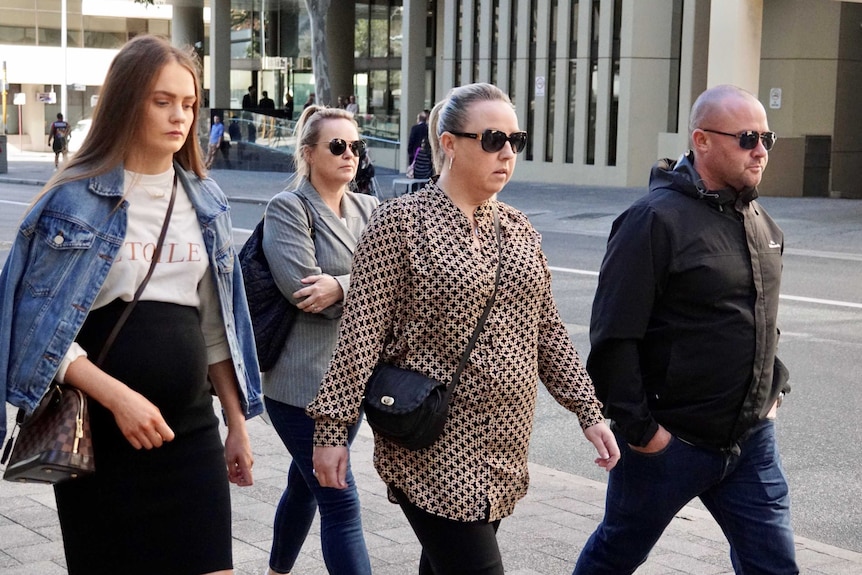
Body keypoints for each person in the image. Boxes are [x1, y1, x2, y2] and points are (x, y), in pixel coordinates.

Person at [307, 82, 619, 575]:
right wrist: (331, 432)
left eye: (515, 141)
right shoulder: (400, 223)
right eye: (492, 139)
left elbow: (548, 333)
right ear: (449, 143)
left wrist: (589, 411)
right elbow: (359, 336)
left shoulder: (519, 229)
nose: (507, 153)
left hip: (503, 444)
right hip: (431, 445)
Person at [0, 34, 262, 575]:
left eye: (189, 104)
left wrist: (236, 421)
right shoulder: (72, 199)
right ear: (125, 101)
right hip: (98, 436)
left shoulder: (205, 199)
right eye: (161, 101)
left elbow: (217, 327)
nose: (180, 117)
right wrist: (119, 398)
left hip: (189, 432)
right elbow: (35, 329)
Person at [573, 84, 797, 575]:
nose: (760, 149)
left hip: (749, 440)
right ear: (701, 140)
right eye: (746, 138)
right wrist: (643, 434)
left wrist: (774, 386)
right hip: (671, 445)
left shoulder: (759, 219)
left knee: (775, 566)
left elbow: (761, 318)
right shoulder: (652, 220)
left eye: (766, 137)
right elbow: (613, 337)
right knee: (616, 555)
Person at [262, 105, 378, 575]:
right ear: (309, 154)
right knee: (339, 500)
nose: (349, 153)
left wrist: (343, 285)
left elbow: (400, 287)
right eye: (337, 145)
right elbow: (303, 291)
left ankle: (276, 571)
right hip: (300, 386)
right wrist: (357, 288)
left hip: (353, 383)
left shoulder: (369, 208)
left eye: (356, 146)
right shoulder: (288, 208)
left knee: (303, 483)